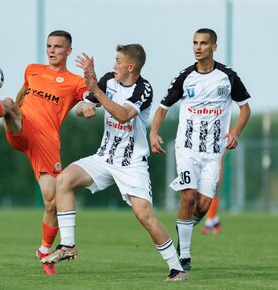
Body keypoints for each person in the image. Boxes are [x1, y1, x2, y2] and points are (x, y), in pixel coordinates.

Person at [40, 44, 187, 282]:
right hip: (104, 157)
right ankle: (67, 245)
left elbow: (124, 114)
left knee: (145, 216)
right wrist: (86, 107)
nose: (114, 65)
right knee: (64, 180)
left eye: (118, 61)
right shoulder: (108, 80)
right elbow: (82, 107)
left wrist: (96, 94)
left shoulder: (143, 88)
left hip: (131, 164)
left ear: (130, 66)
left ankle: (176, 268)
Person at [0, 30, 89, 275]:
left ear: (68, 51)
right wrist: (3, 110)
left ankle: (44, 251)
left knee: (53, 202)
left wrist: (89, 105)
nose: (52, 50)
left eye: (58, 46)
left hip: (46, 142)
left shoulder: (75, 81)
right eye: (49, 45)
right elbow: (20, 97)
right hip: (22, 127)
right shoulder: (32, 69)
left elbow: (90, 97)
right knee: (8, 103)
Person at [150, 28, 251, 271]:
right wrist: (154, 133)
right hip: (187, 149)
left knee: (204, 206)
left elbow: (245, 108)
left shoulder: (227, 77)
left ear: (213, 47)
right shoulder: (185, 77)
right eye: (195, 43)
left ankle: (182, 226)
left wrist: (235, 132)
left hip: (213, 152)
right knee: (188, 196)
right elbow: (162, 108)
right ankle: (184, 256)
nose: (198, 47)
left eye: (203, 43)